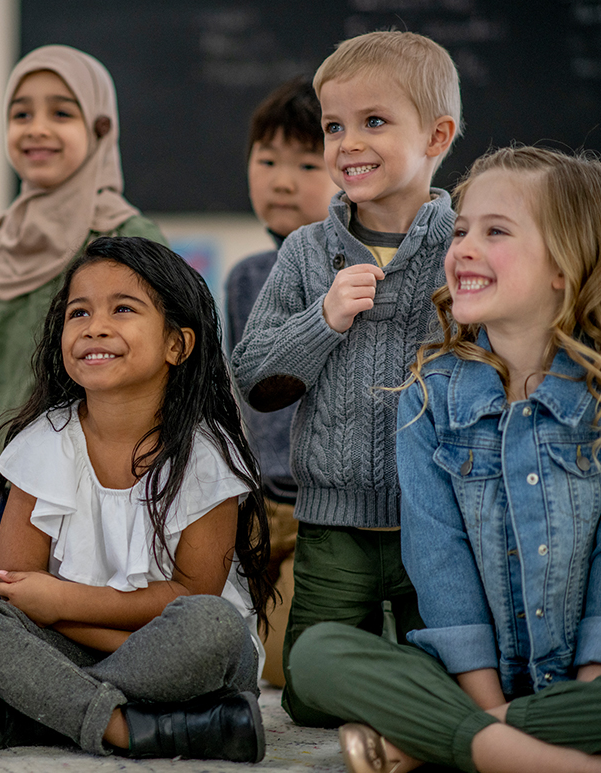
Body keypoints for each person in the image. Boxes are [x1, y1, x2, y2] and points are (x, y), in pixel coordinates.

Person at [289, 146, 601, 773]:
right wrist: (484, 697)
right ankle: (536, 754)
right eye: (460, 229)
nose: (462, 247)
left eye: (496, 231)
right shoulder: (426, 398)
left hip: (590, 675)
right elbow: (440, 567)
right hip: (469, 675)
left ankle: (457, 742)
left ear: (563, 268)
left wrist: (588, 685)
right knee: (317, 656)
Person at [0, 236, 276, 761]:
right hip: (70, 647)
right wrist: (49, 611)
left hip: (176, 655)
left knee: (212, 628)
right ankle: (132, 728)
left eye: (123, 308)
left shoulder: (206, 455)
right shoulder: (41, 445)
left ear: (177, 345)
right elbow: (18, 590)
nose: (95, 326)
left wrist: (63, 603)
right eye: (79, 312)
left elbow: (190, 598)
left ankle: (40, 711)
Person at [231, 30, 461, 725]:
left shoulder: (465, 245)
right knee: (306, 694)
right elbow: (253, 377)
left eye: (373, 122)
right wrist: (322, 321)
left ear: (436, 135)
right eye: (335, 126)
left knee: (459, 671)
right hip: (331, 521)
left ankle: (409, 699)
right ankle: (403, 694)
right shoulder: (306, 252)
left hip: (443, 521)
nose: (346, 142)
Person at [0, 44, 166, 478]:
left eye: (62, 114)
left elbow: (163, 361)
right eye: (21, 115)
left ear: (100, 129)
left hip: (98, 476)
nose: (37, 129)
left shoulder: (128, 236)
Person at [222, 75, 338, 686]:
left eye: (307, 164)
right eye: (267, 160)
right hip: (260, 508)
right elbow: (244, 400)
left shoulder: (350, 276)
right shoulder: (246, 277)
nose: (282, 180)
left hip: (328, 510)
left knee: (284, 671)